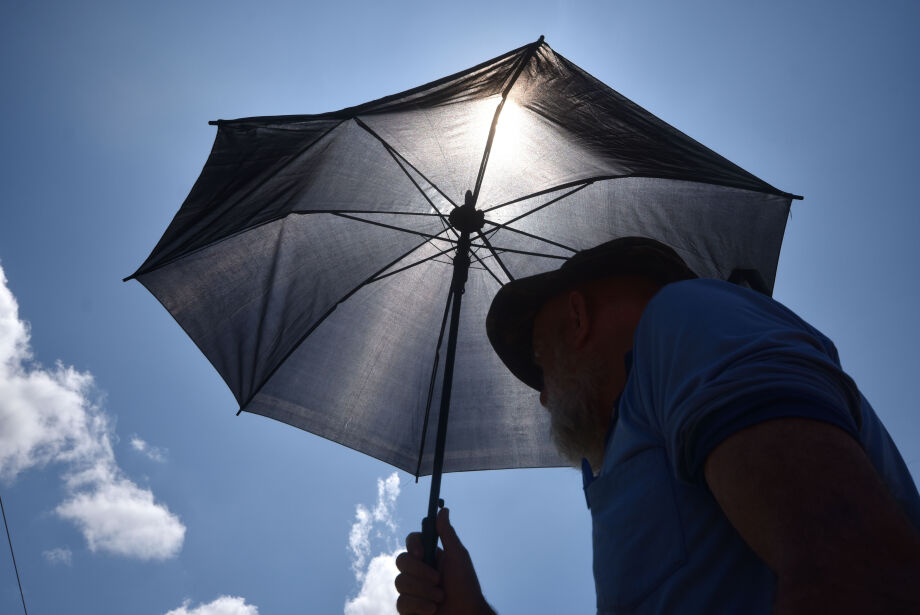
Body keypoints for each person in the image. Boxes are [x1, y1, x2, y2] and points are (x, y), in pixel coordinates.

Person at [394, 237, 920, 615]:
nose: (543, 394)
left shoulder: (684, 319)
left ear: (577, 317)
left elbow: (853, 567)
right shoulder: (623, 456)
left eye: (539, 358)